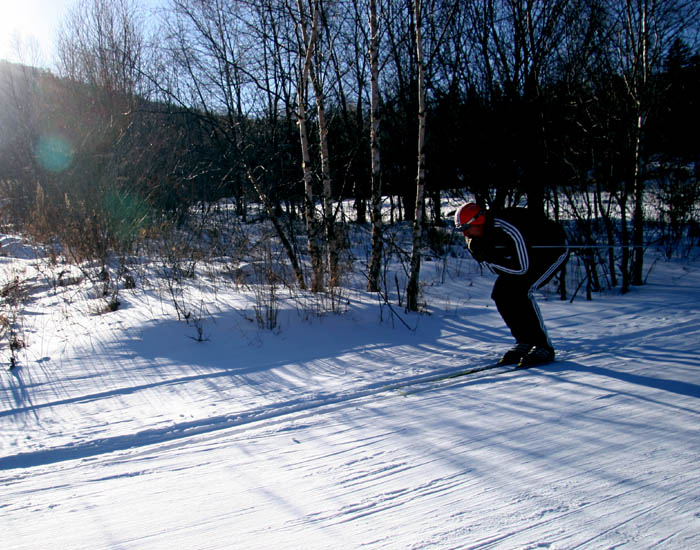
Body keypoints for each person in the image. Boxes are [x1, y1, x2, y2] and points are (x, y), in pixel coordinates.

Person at [454, 202, 569, 367]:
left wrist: (489, 257)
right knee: (500, 293)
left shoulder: (506, 227)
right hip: (527, 257)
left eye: (467, 227)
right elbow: (498, 269)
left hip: (552, 251)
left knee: (522, 291)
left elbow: (522, 268)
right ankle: (525, 341)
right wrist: (486, 256)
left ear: (479, 221)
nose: (465, 233)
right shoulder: (476, 237)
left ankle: (543, 346)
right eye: (460, 230)